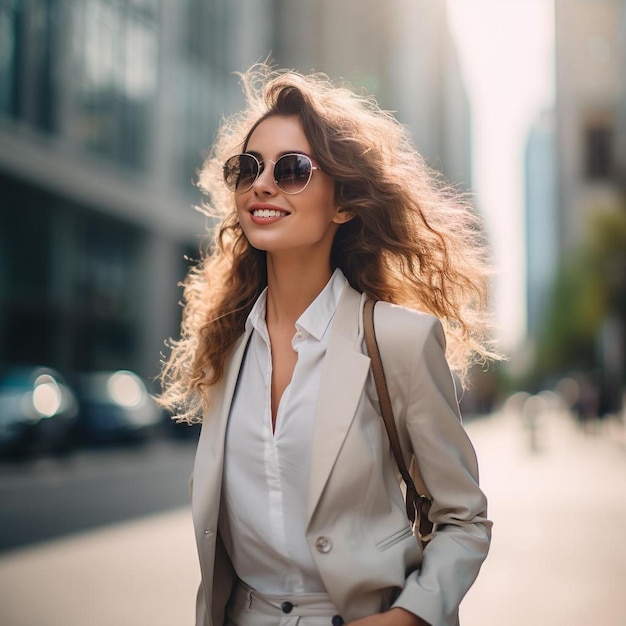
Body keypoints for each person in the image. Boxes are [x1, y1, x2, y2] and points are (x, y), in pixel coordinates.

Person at [159, 64, 496, 626]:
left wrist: (408, 616)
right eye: (249, 168)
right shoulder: (224, 352)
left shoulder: (400, 342)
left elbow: (463, 520)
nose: (262, 184)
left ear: (342, 204)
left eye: (292, 170)